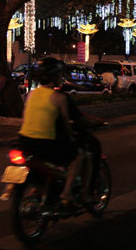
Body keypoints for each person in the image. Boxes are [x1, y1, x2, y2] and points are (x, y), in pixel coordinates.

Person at [18, 57, 86, 205]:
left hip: (24, 141)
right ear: (55, 76)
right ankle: (67, 193)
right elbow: (68, 124)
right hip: (46, 144)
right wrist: (71, 139)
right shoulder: (59, 98)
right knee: (77, 156)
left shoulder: (30, 95)